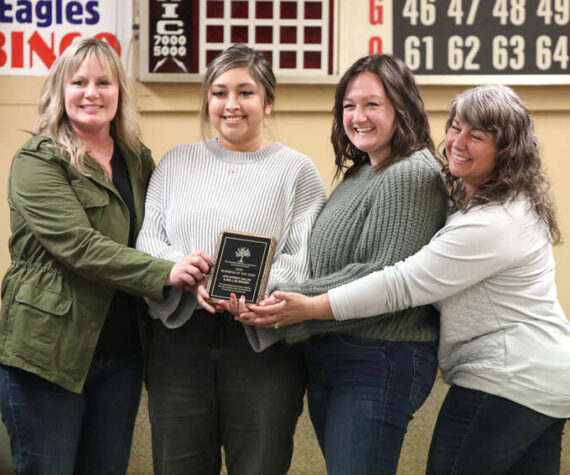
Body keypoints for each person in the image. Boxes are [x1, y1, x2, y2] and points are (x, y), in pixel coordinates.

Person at [244, 85, 570, 474]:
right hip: (543, 381)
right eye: (454, 127)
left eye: (476, 136)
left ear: (508, 151)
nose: (456, 142)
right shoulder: (485, 204)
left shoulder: (495, 223)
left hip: (509, 381)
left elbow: (401, 283)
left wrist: (309, 306)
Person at [0, 38, 210, 475]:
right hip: (48, 353)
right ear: (60, 90)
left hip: (121, 354)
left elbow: (160, 228)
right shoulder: (37, 161)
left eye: (103, 82)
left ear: (119, 93)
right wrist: (169, 271)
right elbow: (80, 246)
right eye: (79, 82)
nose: (91, 92)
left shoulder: (136, 160)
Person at [236, 54, 448, 474]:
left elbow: (381, 274)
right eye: (349, 106)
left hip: (380, 357)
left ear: (401, 106)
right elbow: (322, 266)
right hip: (332, 353)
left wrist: (282, 302)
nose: (358, 116)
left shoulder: (411, 173)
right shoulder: (359, 174)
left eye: (372, 104)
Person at [135, 43, 327, 475]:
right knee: (179, 464)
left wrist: (257, 287)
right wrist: (184, 272)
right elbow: (149, 239)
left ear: (268, 101)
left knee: (259, 464)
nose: (231, 104)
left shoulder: (296, 171)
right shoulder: (176, 162)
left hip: (262, 344)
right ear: (208, 100)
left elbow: (304, 257)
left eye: (246, 92)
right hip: (179, 339)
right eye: (220, 92)